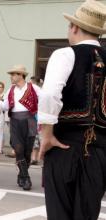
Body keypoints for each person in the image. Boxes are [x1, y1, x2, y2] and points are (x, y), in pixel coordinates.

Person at [38, 1, 106, 219]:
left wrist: (46, 135)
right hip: (100, 151)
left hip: (64, 146)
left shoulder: (65, 54)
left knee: (60, 214)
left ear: (74, 27)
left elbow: (49, 95)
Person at [0, 65, 40, 191]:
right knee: (18, 149)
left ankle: (21, 175)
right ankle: (26, 178)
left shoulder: (33, 87)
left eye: (13, 74)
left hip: (30, 121)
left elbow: (45, 100)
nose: (11, 77)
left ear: (20, 75)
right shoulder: (10, 90)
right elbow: (5, 106)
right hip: (15, 121)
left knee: (27, 152)